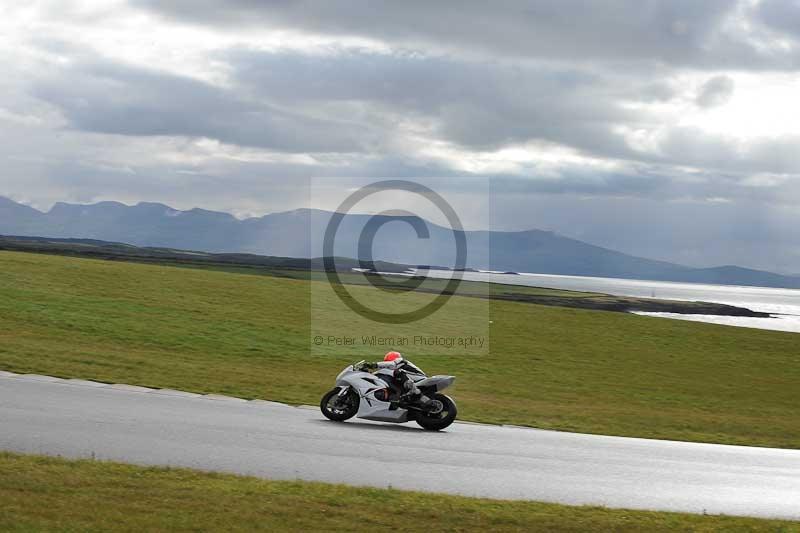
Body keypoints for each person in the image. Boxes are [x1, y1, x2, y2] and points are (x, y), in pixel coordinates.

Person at [361, 351, 431, 406]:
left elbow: (390, 365)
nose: (386, 362)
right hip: (411, 379)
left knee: (398, 372)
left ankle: (414, 390)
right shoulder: (394, 368)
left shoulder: (399, 361)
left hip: (417, 378)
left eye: (387, 360)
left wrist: (374, 364)